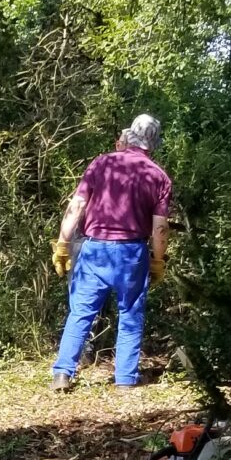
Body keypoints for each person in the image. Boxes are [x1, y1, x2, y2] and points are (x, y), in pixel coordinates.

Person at [50, 112, 171, 392]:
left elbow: (76, 207)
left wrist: (63, 244)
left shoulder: (102, 163)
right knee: (130, 314)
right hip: (132, 253)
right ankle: (125, 380)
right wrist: (157, 260)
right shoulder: (159, 177)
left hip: (94, 249)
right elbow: (160, 227)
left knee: (81, 312)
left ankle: (62, 374)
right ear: (153, 144)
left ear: (130, 137)